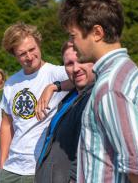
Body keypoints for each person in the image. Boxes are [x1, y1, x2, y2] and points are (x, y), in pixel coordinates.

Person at [60, 0, 138, 182]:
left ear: (97, 33)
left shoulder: (110, 87)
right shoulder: (128, 72)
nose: (72, 43)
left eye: (73, 36)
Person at [0, 22, 73, 182]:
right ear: (14, 55)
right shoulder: (11, 83)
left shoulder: (57, 73)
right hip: (11, 169)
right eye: (22, 54)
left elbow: (88, 78)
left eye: (32, 49)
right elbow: (6, 124)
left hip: (39, 167)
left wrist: (53, 87)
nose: (29, 56)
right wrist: (2, 164)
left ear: (39, 44)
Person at [35, 42, 95, 183]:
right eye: (69, 64)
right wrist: (54, 87)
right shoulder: (73, 94)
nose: (76, 68)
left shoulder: (94, 98)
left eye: (82, 61)